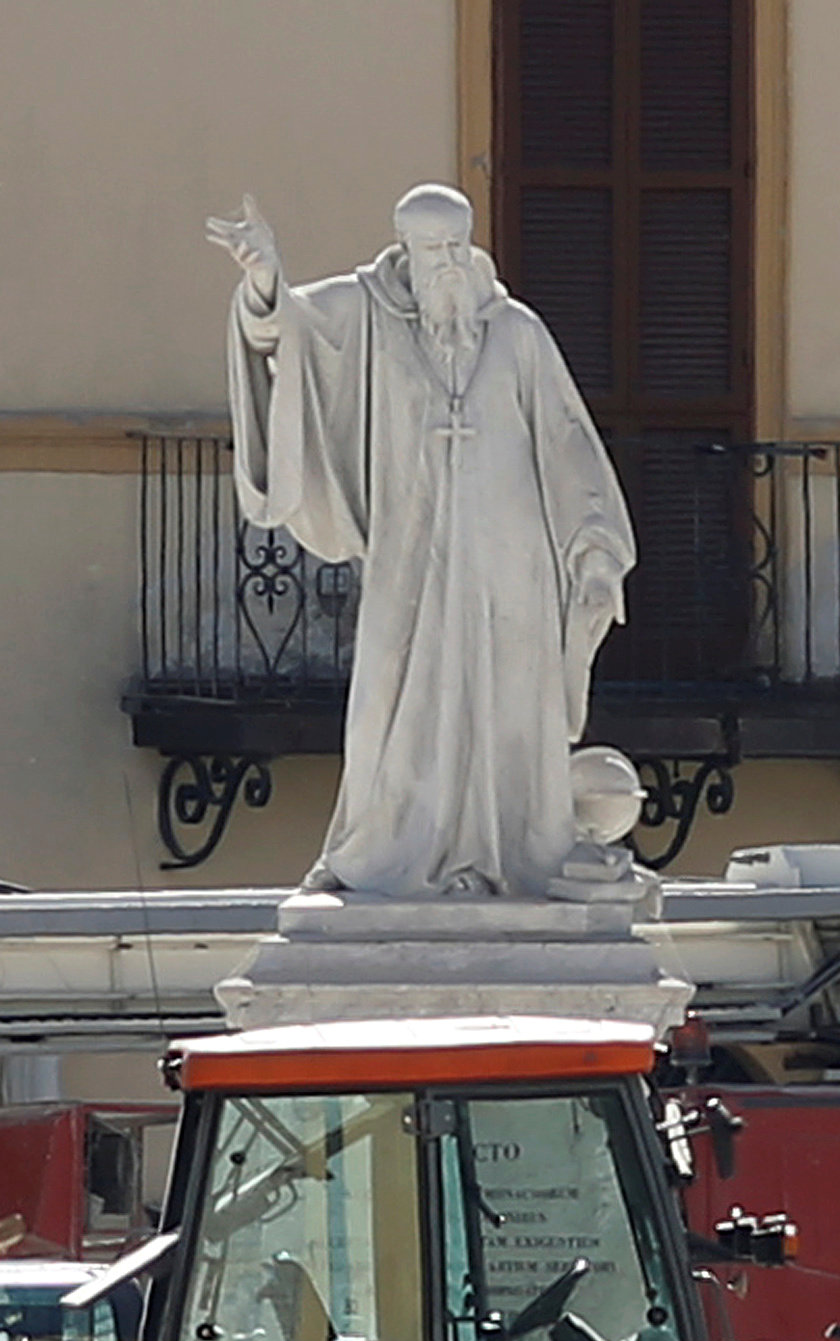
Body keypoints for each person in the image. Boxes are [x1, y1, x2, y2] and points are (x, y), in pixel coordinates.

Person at [212, 183, 637, 900]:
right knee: (393, 702)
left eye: (453, 246)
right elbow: (288, 327)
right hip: (412, 556)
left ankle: (507, 856)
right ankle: (385, 850)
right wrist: (263, 279)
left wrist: (593, 553)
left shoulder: (516, 333)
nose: (443, 264)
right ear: (403, 249)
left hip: (514, 565)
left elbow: (569, 448)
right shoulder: (368, 314)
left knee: (505, 713)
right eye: (428, 248)